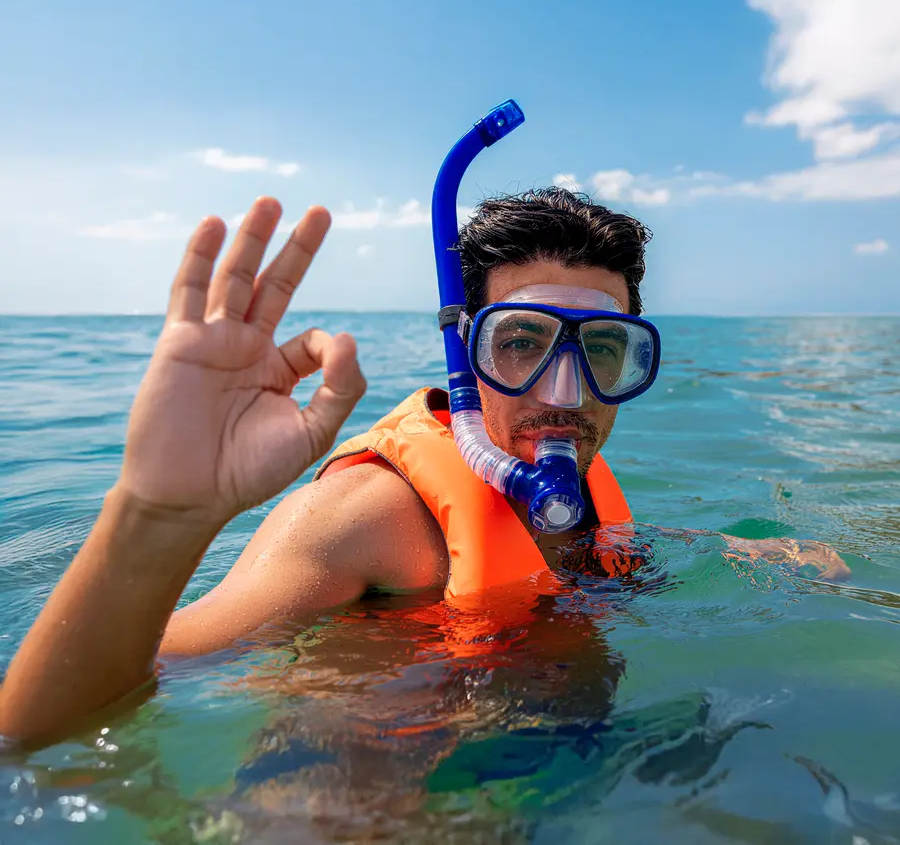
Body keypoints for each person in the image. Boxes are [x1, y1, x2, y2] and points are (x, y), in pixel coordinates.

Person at [0, 189, 849, 747]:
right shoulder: (360, 519)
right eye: (519, 342)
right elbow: (54, 728)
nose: (565, 393)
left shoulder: (575, 494)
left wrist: (738, 554)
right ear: (462, 355)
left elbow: (606, 570)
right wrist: (157, 514)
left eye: (603, 350)